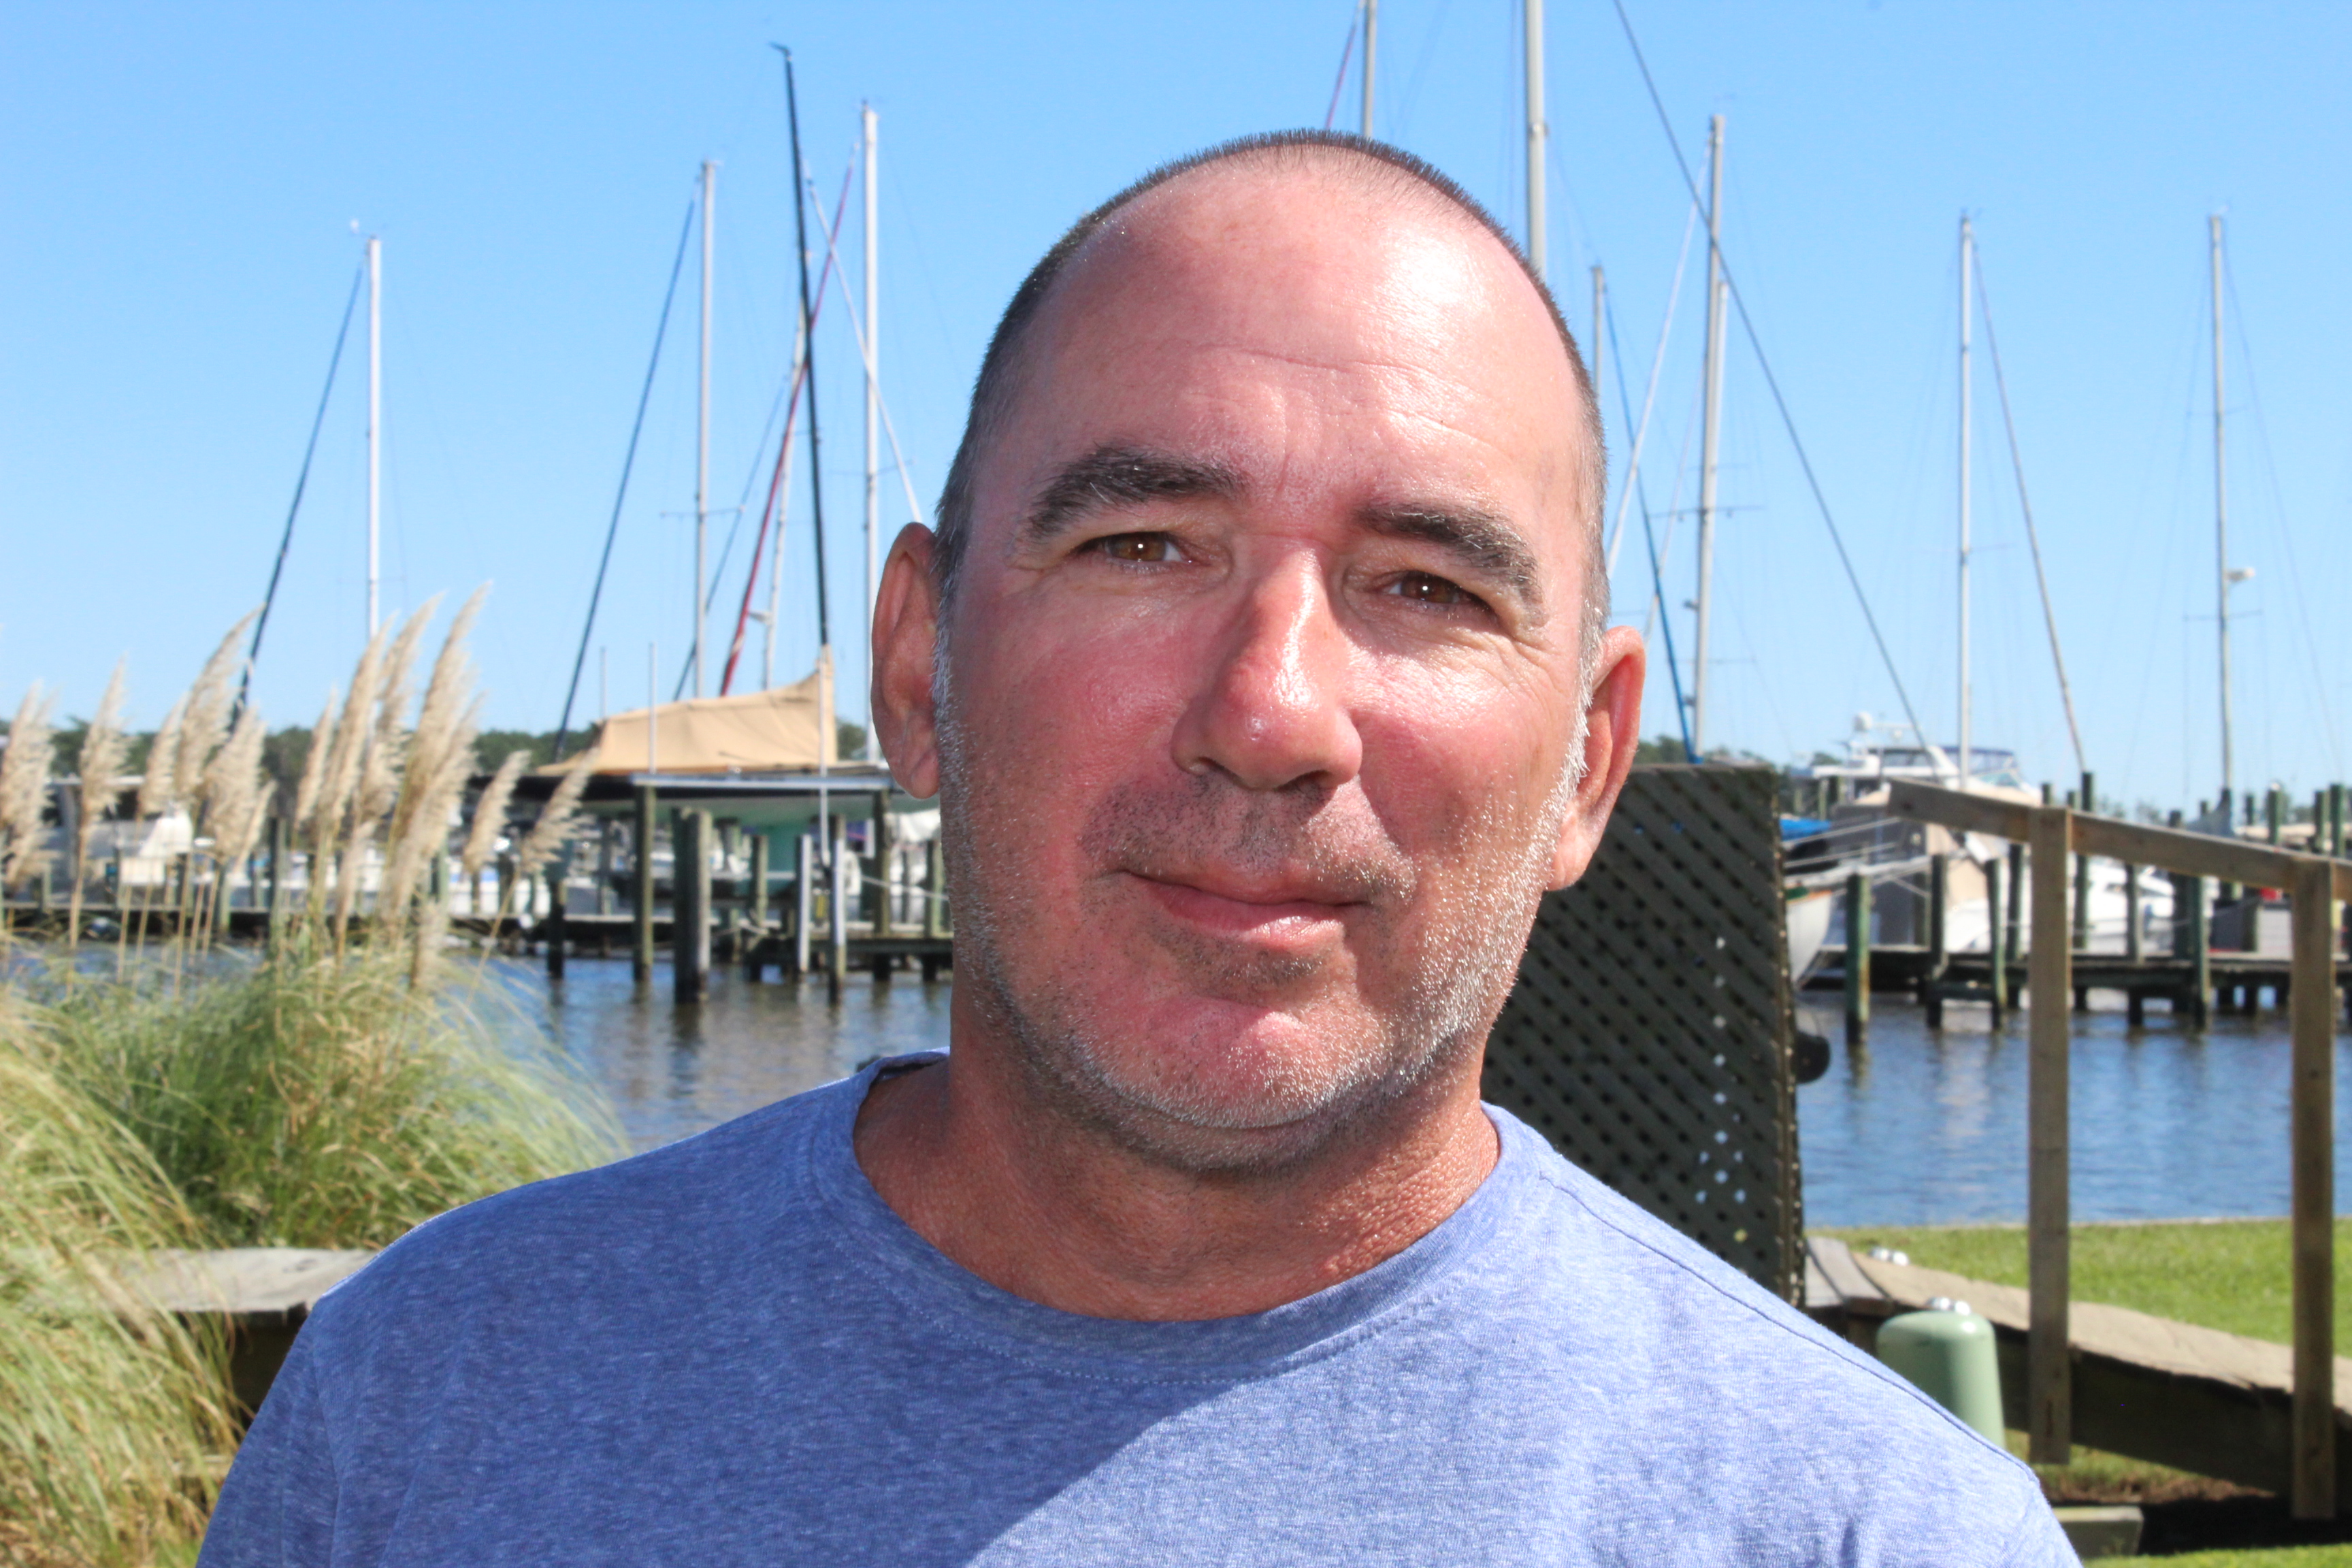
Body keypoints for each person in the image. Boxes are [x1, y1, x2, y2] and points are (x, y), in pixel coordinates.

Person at [201, 132, 2074, 1567]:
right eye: (1143, 547)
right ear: (923, 669)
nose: (1271, 711)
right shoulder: (433, 1418)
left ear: (1588, 763)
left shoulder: (1866, 1536)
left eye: (1421, 587)